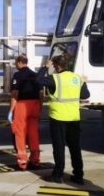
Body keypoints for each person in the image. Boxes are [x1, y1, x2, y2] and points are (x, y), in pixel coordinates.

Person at [36, 55, 90, 184]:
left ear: (57, 66)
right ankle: (78, 175)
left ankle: (58, 175)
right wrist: (84, 83)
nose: (53, 68)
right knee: (75, 147)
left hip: (58, 117)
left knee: (59, 147)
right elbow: (85, 95)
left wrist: (45, 67)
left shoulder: (55, 78)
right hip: (74, 118)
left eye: (54, 66)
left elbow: (37, 80)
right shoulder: (77, 78)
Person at [8, 55, 42, 170]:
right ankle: (35, 159)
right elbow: (41, 93)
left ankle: (22, 161)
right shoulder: (35, 74)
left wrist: (11, 110)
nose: (15, 65)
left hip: (22, 105)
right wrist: (40, 107)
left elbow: (15, 94)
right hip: (35, 104)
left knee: (20, 132)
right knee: (33, 133)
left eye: (15, 63)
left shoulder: (18, 75)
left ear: (19, 62)